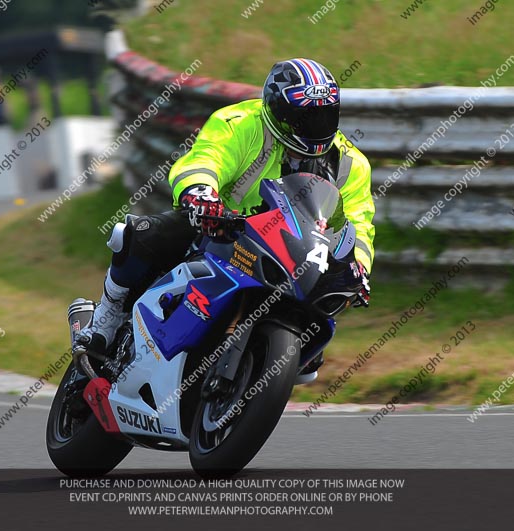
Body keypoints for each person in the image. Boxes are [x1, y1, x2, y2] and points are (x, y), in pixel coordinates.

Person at [74, 58, 375, 374]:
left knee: (310, 360)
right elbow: (205, 160)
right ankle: (105, 320)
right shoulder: (240, 122)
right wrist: (202, 195)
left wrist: (360, 268)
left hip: (291, 253)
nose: (316, 127)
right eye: (304, 117)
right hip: (220, 229)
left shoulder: (351, 165)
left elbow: (358, 223)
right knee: (139, 234)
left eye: (325, 115)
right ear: (277, 111)